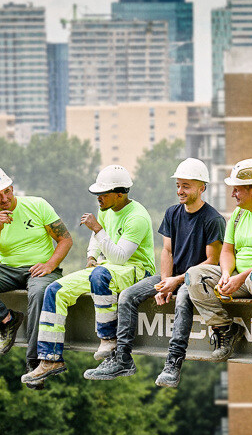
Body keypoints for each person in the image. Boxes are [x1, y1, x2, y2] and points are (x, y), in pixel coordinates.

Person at [82, 158, 225, 386]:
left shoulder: (213, 219)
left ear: (202, 188)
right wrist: (165, 281)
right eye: (178, 185)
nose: (180, 191)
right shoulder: (172, 213)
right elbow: (167, 251)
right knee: (128, 295)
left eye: (186, 186)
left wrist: (175, 282)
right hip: (173, 276)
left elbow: (211, 261)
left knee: (183, 298)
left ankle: (173, 364)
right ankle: (122, 359)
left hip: (196, 281)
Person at [21, 164, 155, 388]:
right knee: (54, 291)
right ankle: (49, 359)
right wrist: (91, 255)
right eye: (97, 194)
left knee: (100, 274)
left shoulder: (137, 217)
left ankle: (108, 339)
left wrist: (97, 230)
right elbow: (97, 240)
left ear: (120, 194)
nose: (98, 198)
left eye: (103, 194)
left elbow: (121, 257)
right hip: (106, 267)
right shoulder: (106, 209)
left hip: (137, 270)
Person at [186, 158, 252, 365]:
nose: (232, 194)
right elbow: (227, 251)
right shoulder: (238, 214)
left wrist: (240, 279)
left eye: (237, 190)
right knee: (194, 275)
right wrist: (227, 274)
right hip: (241, 279)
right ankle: (224, 328)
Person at [0, 168, 73, 380]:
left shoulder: (37, 205)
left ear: (12, 188)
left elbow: (66, 239)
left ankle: (34, 364)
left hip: (40, 269)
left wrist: (50, 264)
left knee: (40, 293)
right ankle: (7, 319)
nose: (4, 198)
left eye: (7, 191)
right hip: (8, 269)